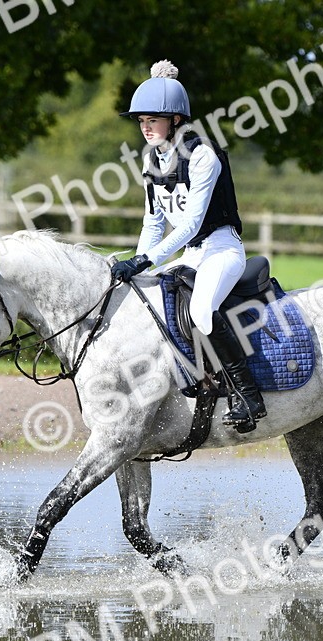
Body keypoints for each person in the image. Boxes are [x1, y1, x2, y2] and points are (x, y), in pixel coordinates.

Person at [111, 60, 266, 432]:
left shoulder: (203, 156)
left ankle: (249, 396)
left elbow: (193, 223)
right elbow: (154, 222)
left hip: (221, 249)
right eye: (141, 121)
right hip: (191, 253)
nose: (145, 128)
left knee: (200, 310)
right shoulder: (152, 160)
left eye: (153, 120)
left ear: (176, 120)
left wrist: (146, 259)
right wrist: (137, 266)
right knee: (146, 300)